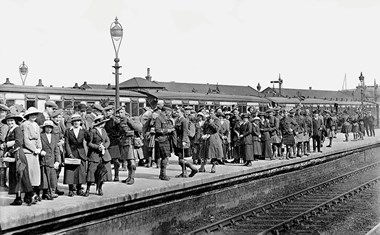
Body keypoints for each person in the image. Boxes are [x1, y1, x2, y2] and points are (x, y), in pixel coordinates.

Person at [1, 113, 35, 206]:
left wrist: (10, 149)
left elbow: (19, 142)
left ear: (15, 121)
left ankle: (29, 195)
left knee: (22, 175)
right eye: (8, 121)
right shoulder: (10, 130)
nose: (10, 122)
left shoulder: (17, 129)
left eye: (11, 120)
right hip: (13, 155)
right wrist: (6, 146)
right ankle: (18, 198)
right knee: (15, 176)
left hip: (18, 155)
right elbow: (9, 142)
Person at [85, 115, 112, 196]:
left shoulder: (103, 131)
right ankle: (88, 189)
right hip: (94, 155)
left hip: (103, 155)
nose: (103, 124)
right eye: (102, 123)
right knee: (91, 172)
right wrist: (97, 147)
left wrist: (104, 147)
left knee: (102, 173)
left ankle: (99, 188)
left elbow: (108, 141)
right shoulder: (92, 131)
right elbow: (89, 143)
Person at [20, 107, 43, 202]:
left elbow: (38, 139)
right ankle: (28, 195)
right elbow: (25, 140)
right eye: (31, 114)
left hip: (35, 152)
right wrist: (34, 149)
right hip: (28, 151)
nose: (34, 116)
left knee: (35, 174)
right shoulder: (25, 125)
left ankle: (33, 194)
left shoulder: (36, 125)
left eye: (35, 114)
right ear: (28, 115)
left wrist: (39, 148)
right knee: (29, 174)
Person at [64, 114, 88, 197]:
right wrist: (69, 153)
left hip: (81, 153)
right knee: (71, 172)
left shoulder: (83, 131)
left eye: (78, 121)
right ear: (72, 122)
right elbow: (66, 143)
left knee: (80, 172)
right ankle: (70, 190)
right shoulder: (68, 131)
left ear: (80, 122)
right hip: (72, 152)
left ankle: (79, 189)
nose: (76, 123)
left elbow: (88, 140)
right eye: (74, 121)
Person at [117, 107, 141, 185]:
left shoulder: (128, 119)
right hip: (124, 142)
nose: (119, 114)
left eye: (121, 112)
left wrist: (131, 133)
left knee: (131, 160)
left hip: (130, 142)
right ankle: (129, 177)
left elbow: (137, 128)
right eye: (118, 113)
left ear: (124, 112)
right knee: (127, 160)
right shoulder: (120, 121)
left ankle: (132, 178)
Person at [173, 108, 198, 178]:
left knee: (181, 159)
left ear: (182, 112)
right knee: (180, 158)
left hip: (183, 141)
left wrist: (184, 140)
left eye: (178, 112)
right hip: (178, 141)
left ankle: (193, 169)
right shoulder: (177, 120)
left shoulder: (184, 120)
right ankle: (184, 172)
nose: (176, 113)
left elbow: (185, 131)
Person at [39, 120, 61, 200]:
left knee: (52, 177)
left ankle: (51, 191)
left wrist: (57, 161)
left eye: (50, 128)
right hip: (44, 159)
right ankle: (46, 193)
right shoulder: (41, 136)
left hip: (52, 160)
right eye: (47, 127)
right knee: (45, 177)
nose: (48, 129)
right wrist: (41, 151)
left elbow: (56, 150)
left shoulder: (54, 137)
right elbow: (38, 146)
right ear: (44, 128)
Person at [154, 106, 175, 180]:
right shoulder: (159, 119)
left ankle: (162, 174)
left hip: (166, 139)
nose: (170, 113)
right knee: (165, 157)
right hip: (161, 140)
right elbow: (157, 130)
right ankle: (163, 174)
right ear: (166, 111)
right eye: (169, 111)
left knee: (166, 157)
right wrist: (168, 130)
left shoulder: (166, 118)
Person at [104, 106, 122, 181]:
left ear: (112, 111)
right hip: (107, 141)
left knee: (115, 160)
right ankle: (107, 176)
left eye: (109, 111)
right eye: (107, 111)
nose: (107, 112)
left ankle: (116, 175)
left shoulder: (115, 120)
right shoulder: (105, 120)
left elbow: (120, 130)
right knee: (106, 159)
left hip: (114, 141)